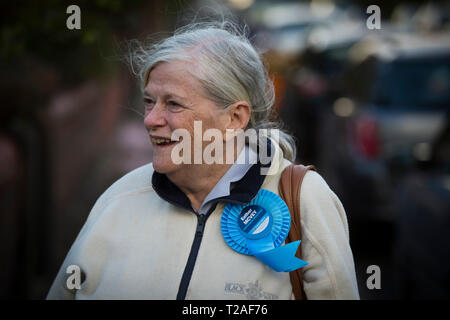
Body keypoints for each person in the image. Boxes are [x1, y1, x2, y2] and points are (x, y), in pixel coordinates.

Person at [46, 20, 359, 300]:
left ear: (235, 118)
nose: (151, 119)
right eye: (149, 101)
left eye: (174, 104)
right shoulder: (120, 197)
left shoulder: (303, 198)